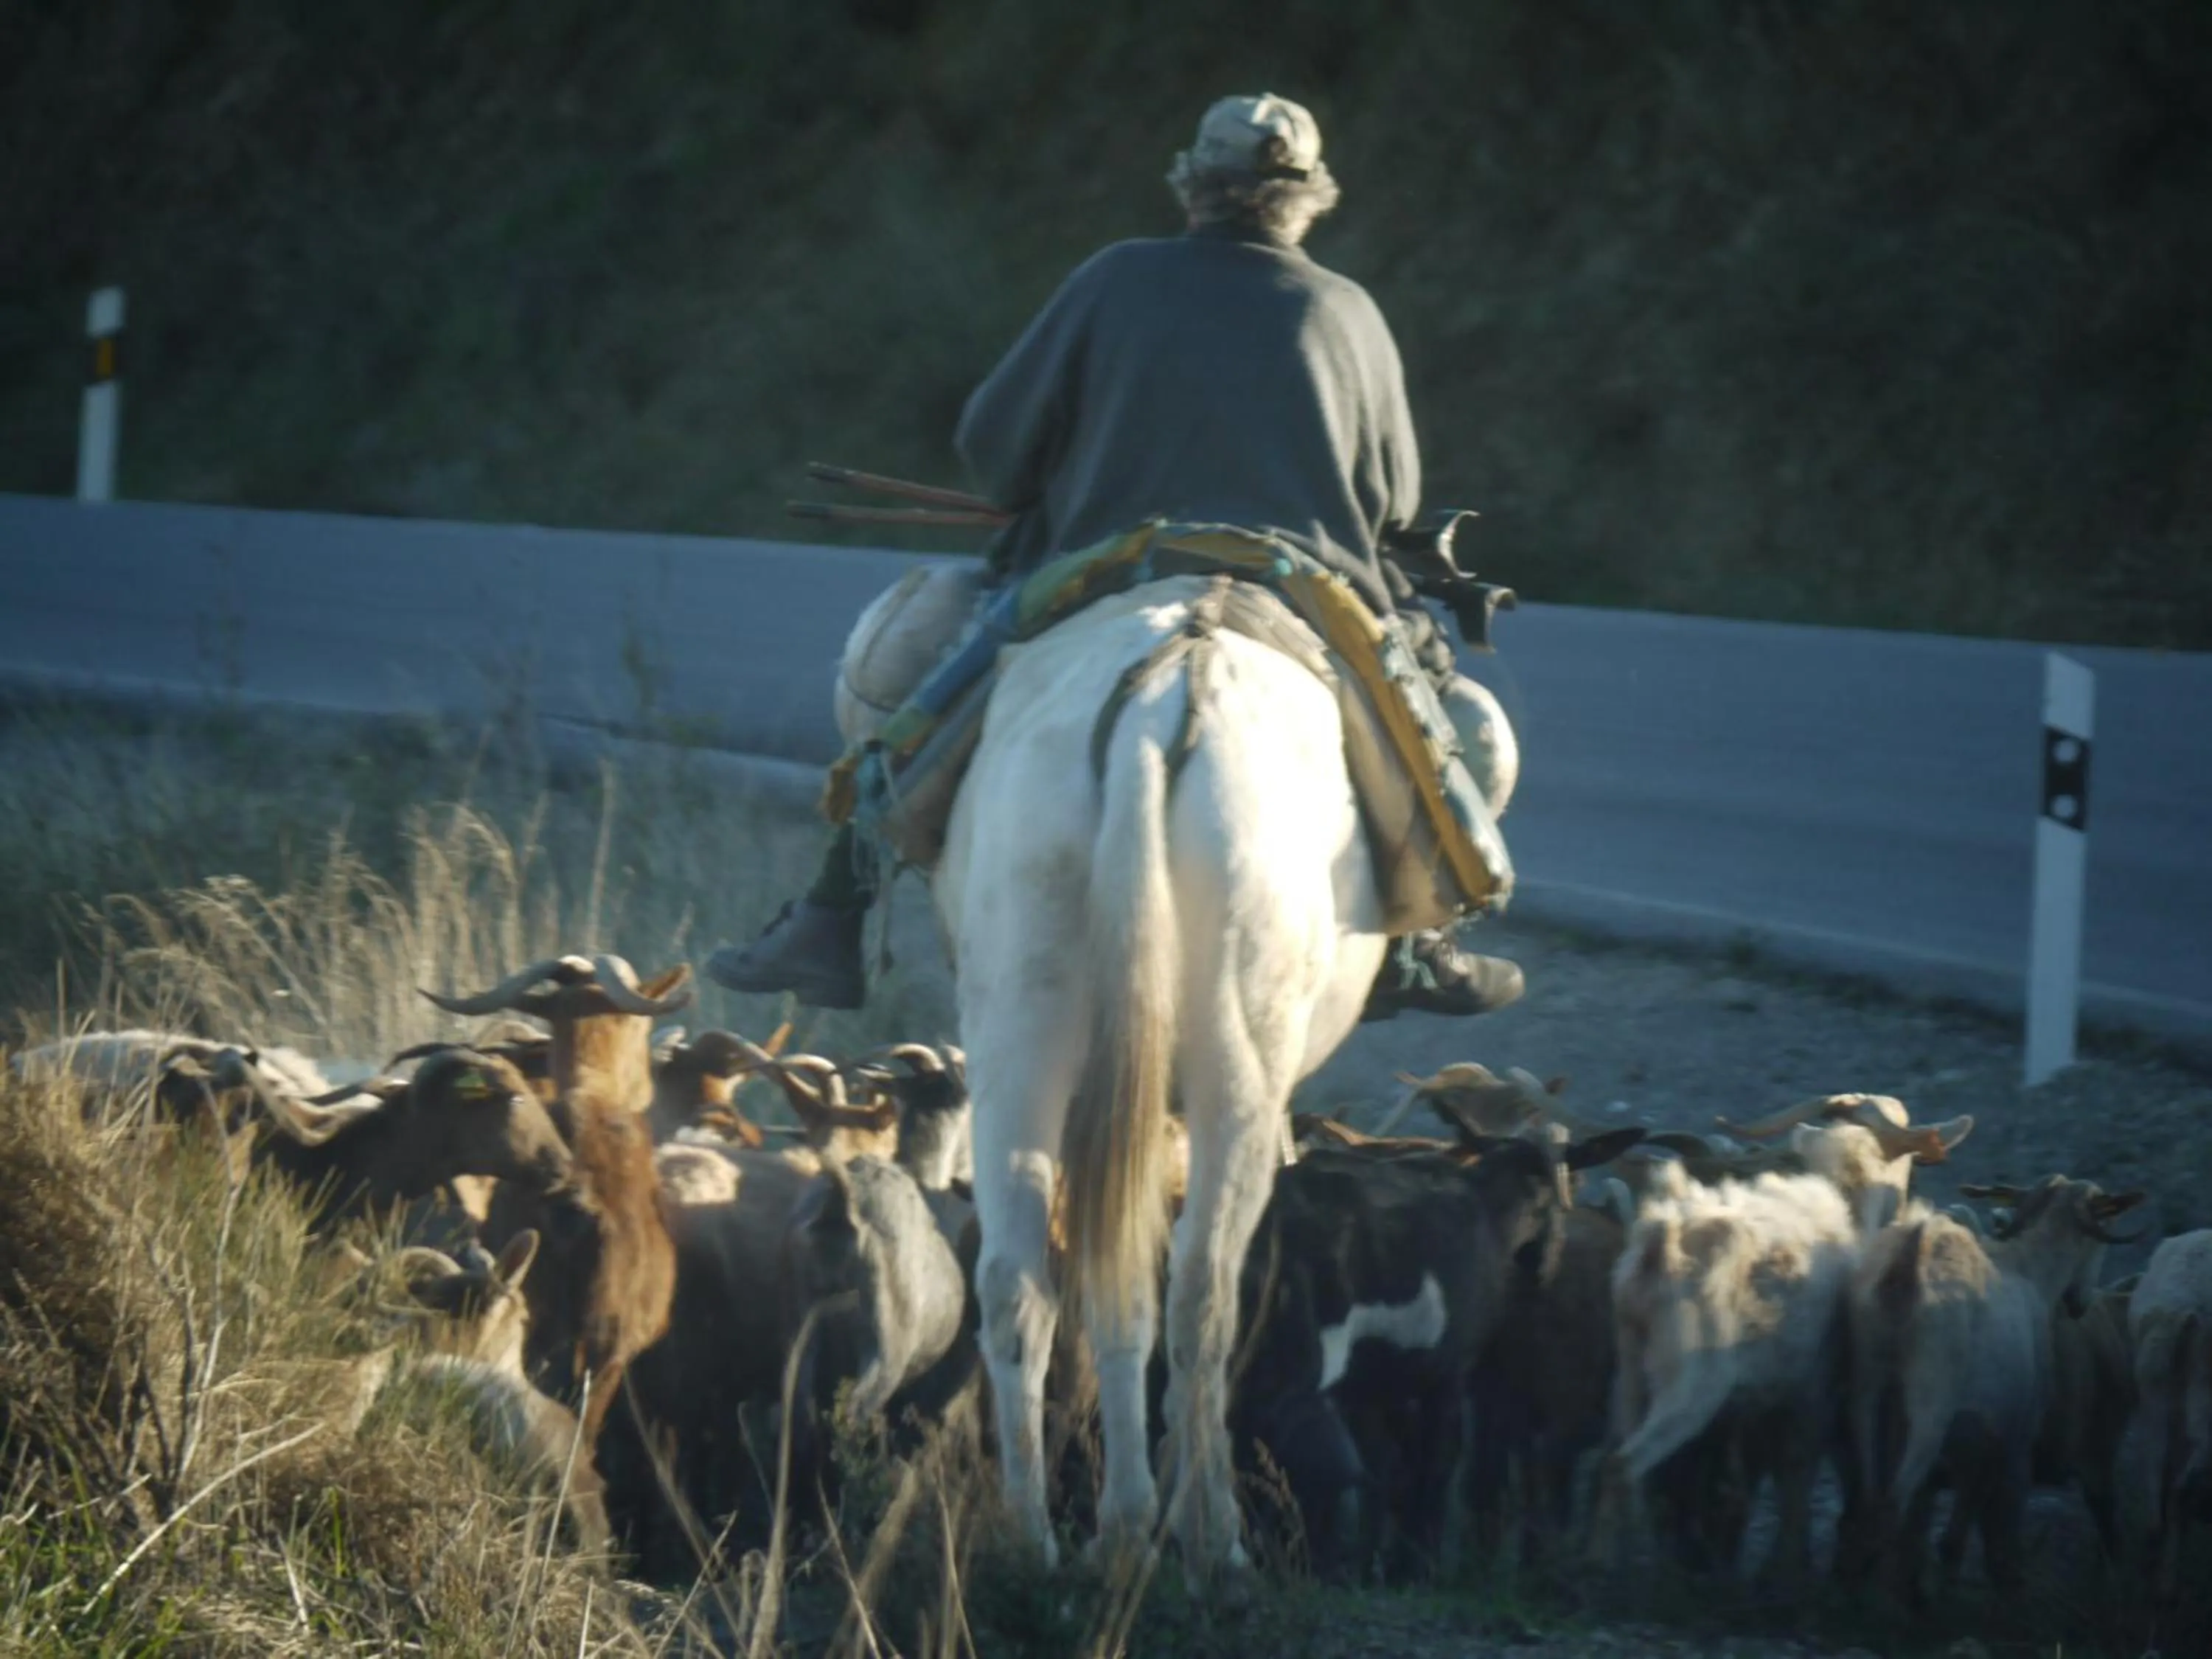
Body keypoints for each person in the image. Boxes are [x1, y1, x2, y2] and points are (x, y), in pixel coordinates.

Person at [706, 92, 1524, 1022]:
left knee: (916, 667)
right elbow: (1397, 502)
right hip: (1306, 592)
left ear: (1193, 189)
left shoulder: (1114, 279)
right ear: (1309, 201)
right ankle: (1417, 945)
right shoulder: (1350, 312)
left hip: (1107, 569)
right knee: (1448, 720)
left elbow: (995, 446)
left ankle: (830, 918)